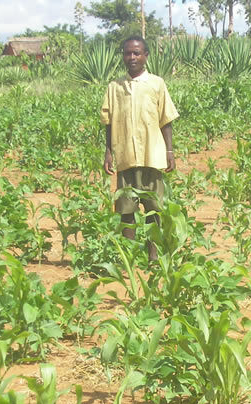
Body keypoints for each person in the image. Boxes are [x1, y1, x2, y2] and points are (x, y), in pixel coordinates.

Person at [101, 35, 179, 261]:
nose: (132, 57)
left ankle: (153, 257)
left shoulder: (157, 84)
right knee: (126, 211)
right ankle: (130, 258)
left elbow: (166, 120)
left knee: (154, 210)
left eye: (136, 53)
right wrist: (108, 152)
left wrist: (169, 152)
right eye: (127, 53)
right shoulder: (115, 87)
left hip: (152, 157)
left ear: (146, 56)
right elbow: (108, 122)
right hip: (125, 158)